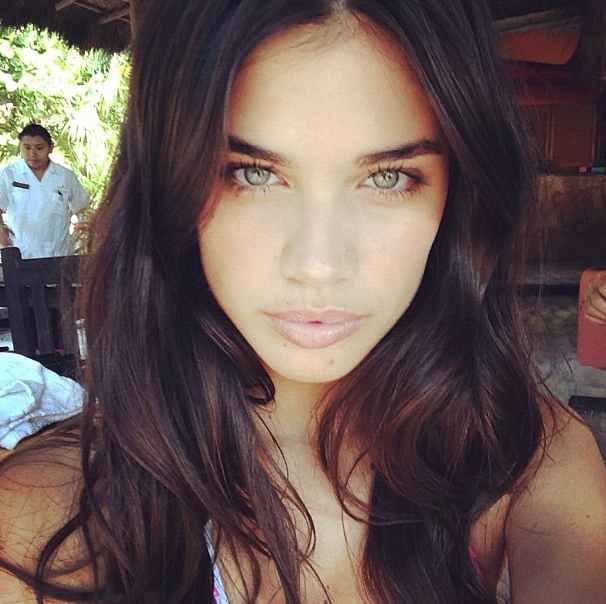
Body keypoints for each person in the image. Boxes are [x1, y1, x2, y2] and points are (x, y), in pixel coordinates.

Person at [1, 1, 605, 602]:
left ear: (460, 192)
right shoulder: (43, 522)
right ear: (167, 185)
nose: (319, 265)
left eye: (388, 177)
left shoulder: (528, 458)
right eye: (252, 173)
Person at [0, 124, 89, 259]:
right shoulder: (8, 175)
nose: (33, 153)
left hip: (59, 254)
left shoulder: (65, 176)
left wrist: (83, 224)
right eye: (27, 148)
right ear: (20, 147)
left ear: (50, 147)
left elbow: (82, 208)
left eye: (39, 148)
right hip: (21, 254)